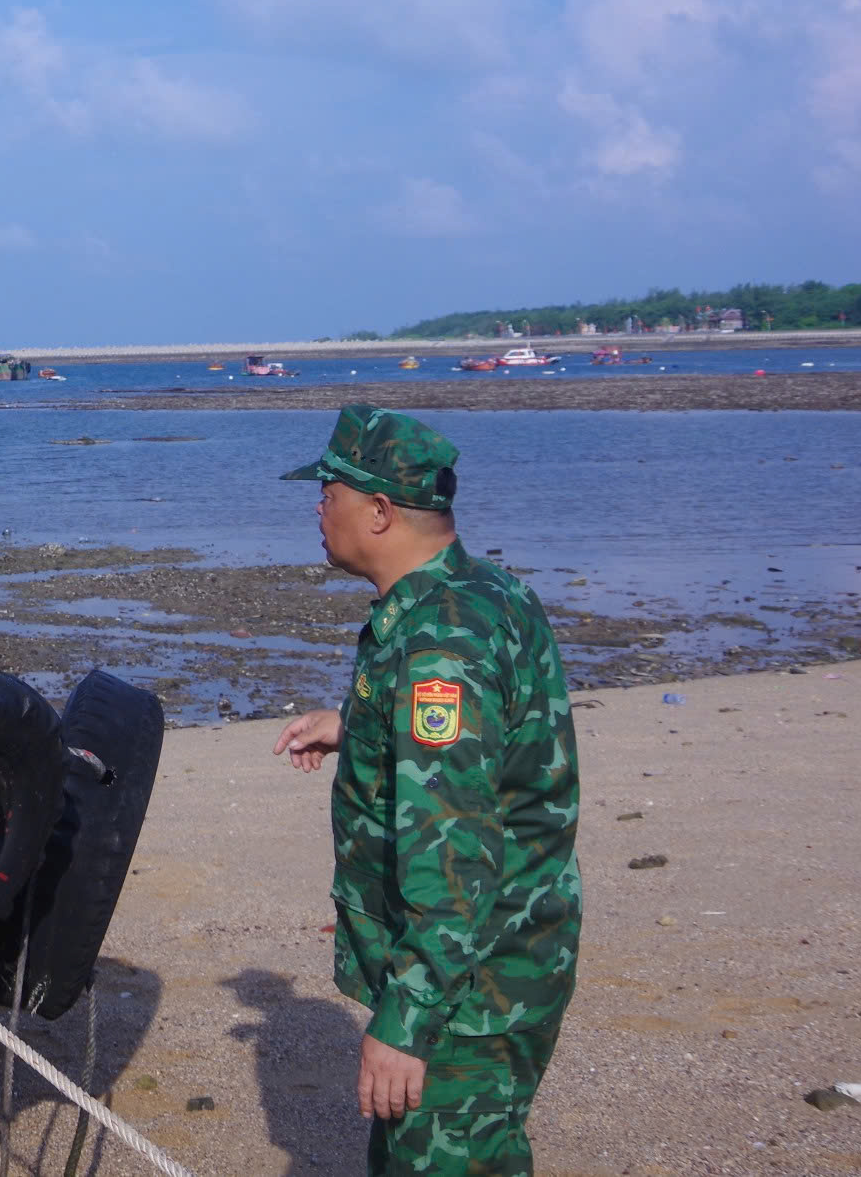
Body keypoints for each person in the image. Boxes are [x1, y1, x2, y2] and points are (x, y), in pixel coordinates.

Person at [271, 405, 581, 1177]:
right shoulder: (480, 591)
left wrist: (405, 1020)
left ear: (378, 511)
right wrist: (356, 724)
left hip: (471, 985)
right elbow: (489, 736)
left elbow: (457, 853)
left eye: (329, 492)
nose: (318, 507)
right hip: (500, 957)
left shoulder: (440, 638)